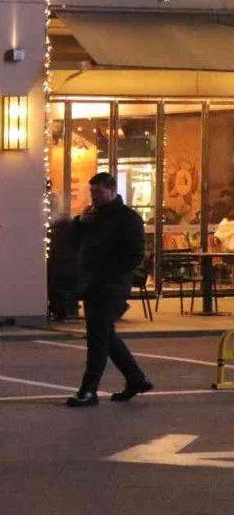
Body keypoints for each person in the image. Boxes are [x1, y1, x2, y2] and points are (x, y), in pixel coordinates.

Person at [66, 172, 153, 407]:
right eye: (92, 192)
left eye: (98, 192)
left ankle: (88, 390)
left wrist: (110, 273)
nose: (94, 196)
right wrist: (80, 223)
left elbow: (135, 254)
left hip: (111, 285)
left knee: (97, 338)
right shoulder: (93, 216)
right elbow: (75, 243)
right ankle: (136, 379)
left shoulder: (127, 218)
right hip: (92, 284)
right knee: (104, 334)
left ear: (112, 190)